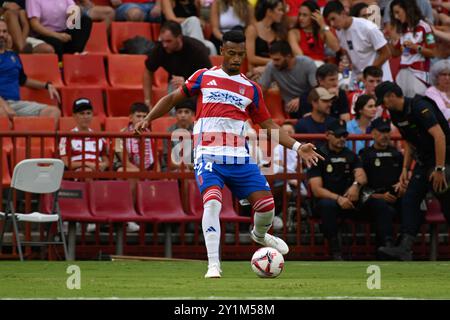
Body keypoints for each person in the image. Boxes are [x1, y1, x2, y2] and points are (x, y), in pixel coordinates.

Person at [135, 30, 324, 278]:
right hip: (208, 155)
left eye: (240, 54)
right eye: (231, 53)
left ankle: (259, 234)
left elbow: (268, 126)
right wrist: (149, 118)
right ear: (222, 51)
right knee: (212, 202)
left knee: (267, 206)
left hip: (238, 158)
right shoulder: (204, 77)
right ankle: (214, 264)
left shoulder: (252, 88)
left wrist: (299, 147)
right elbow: (172, 98)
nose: (236, 58)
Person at [375, 81, 450, 261]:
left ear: (392, 96)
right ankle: (405, 248)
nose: (383, 106)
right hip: (424, 160)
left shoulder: (420, 107)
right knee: (410, 198)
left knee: (446, 199)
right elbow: (409, 142)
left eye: (383, 101)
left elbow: (440, 136)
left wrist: (440, 168)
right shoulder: (395, 114)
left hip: (444, 157)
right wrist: (405, 169)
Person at [0, 19, 60, 121]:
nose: (2, 34)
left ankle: (42, 138)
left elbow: (23, 80)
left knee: (53, 112)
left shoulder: (13, 56)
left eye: (4, 31)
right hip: (2, 104)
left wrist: (46, 85)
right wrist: (4, 105)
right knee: (3, 116)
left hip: (16, 104)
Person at [323, 1, 392, 89]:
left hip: (378, 79)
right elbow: (350, 54)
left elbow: (386, 53)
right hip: (358, 79)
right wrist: (347, 64)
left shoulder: (368, 27)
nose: (332, 24)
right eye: (329, 21)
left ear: (343, 13)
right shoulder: (339, 31)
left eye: (333, 19)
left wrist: (366, 74)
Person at [143, 20, 212, 109]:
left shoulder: (197, 49)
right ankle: (175, 119)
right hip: (176, 83)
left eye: (168, 41)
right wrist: (147, 100)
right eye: (162, 41)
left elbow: (209, 78)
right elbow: (148, 69)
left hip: (198, 85)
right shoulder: (160, 49)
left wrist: (188, 82)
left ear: (179, 38)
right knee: (173, 92)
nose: (164, 45)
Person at [359, 117, 404, 251]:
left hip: (395, 195)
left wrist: (402, 185)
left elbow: (404, 177)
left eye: (387, 132)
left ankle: (404, 244)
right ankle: (387, 244)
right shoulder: (365, 155)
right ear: (373, 133)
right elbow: (361, 186)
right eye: (381, 132)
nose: (385, 135)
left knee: (411, 203)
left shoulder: (396, 154)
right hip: (373, 198)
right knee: (382, 207)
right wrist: (380, 196)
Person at [388, 0, 437, 98]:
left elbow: (433, 53)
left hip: (419, 74)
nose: (396, 16)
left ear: (407, 9)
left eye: (398, 12)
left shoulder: (425, 27)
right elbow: (396, 53)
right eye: (394, 14)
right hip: (402, 73)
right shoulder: (402, 29)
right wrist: (391, 40)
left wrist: (416, 47)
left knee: (416, 107)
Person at [258, 40, 317, 119]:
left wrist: (301, 99)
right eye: (272, 59)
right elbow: (261, 89)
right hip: (290, 108)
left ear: (288, 56)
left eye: (277, 59)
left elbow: (317, 89)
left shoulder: (307, 63)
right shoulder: (272, 67)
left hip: (309, 103)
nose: (274, 63)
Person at [26, 0, 93, 60]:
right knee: (56, 43)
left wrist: (73, 15)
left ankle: (76, 52)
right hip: (45, 34)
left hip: (64, 32)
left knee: (85, 20)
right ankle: (61, 63)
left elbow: (73, 12)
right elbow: (35, 25)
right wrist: (58, 35)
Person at [59, 98, 109, 172]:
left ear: (92, 115)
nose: (86, 117)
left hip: (98, 172)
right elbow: (65, 162)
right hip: (79, 174)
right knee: (87, 171)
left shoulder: (99, 137)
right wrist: (87, 164)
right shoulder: (66, 137)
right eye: (82, 113)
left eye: (88, 113)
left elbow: (105, 159)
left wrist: (104, 165)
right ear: (74, 116)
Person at [287, 0, 339, 65]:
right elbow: (300, 57)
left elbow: (336, 47)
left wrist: (323, 25)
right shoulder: (294, 33)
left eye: (304, 15)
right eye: (300, 14)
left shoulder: (321, 32)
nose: (300, 18)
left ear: (314, 16)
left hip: (321, 67)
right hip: (304, 67)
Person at [245, 0, 287, 80]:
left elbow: (282, 57)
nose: (282, 13)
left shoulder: (277, 32)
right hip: (255, 72)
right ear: (269, 11)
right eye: (279, 10)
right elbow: (251, 58)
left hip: (274, 71)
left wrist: (271, 64)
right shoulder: (252, 29)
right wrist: (274, 61)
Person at [114, 102, 155, 173]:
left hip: (147, 171)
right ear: (130, 118)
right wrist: (143, 173)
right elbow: (125, 162)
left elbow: (156, 161)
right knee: (121, 171)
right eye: (138, 116)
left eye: (144, 117)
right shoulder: (119, 136)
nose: (141, 120)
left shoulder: (151, 135)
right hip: (129, 170)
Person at [161, 98, 195, 172]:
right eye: (180, 112)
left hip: (194, 168)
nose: (183, 115)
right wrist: (186, 166)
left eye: (186, 112)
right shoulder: (169, 132)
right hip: (173, 169)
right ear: (176, 114)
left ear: (192, 114)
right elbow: (169, 161)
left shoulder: (198, 131)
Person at [425, 59, 450, 124]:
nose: (447, 78)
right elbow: (443, 114)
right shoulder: (431, 92)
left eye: (449, 75)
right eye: (444, 74)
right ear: (436, 76)